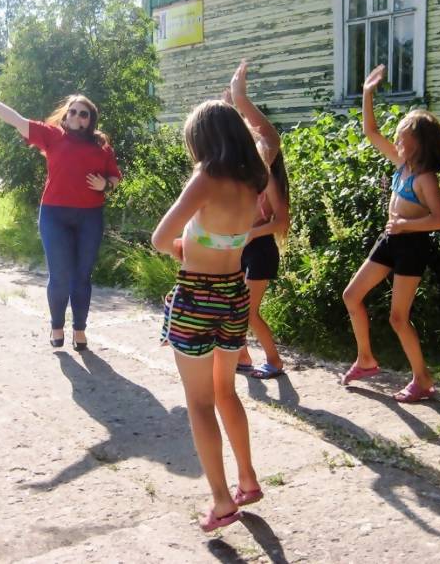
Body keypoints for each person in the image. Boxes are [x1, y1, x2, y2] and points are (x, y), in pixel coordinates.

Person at [152, 60, 279, 532]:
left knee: (200, 402)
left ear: (202, 142)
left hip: (197, 298)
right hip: (233, 296)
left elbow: (160, 238)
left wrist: (182, 247)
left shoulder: (206, 178)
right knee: (226, 392)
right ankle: (248, 479)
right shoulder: (255, 177)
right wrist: (240, 100)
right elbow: (269, 139)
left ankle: (223, 501)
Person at [0, 91, 121, 351]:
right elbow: (17, 120)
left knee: (82, 277)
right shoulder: (52, 135)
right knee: (60, 276)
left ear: (90, 119)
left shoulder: (101, 147)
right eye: (73, 111)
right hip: (54, 216)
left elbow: (115, 177)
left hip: (90, 217)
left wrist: (106, 184)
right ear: (66, 115)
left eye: (83, 114)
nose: (77, 116)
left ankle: (79, 330)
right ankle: (57, 325)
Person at [341, 64, 440, 402]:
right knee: (351, 296)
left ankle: (422, 379)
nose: (397, 137)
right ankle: (365, 359)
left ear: (418, 141)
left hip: (411, 246)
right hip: (390, 241)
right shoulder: (402, 165)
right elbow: (371, 131)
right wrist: (366, 93)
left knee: (398, 318)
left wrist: (405, 225)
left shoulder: (425, 178)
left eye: (403, 132)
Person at [220, 89, 290, 380]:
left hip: (261, 249)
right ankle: (243, 356)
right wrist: (226, 109)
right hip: (241, 247)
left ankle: (274, 361)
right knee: (233, 307)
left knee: (248, 311)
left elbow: (282, 222)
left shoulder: (270, 179)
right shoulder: (243, 178)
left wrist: (252, 233)